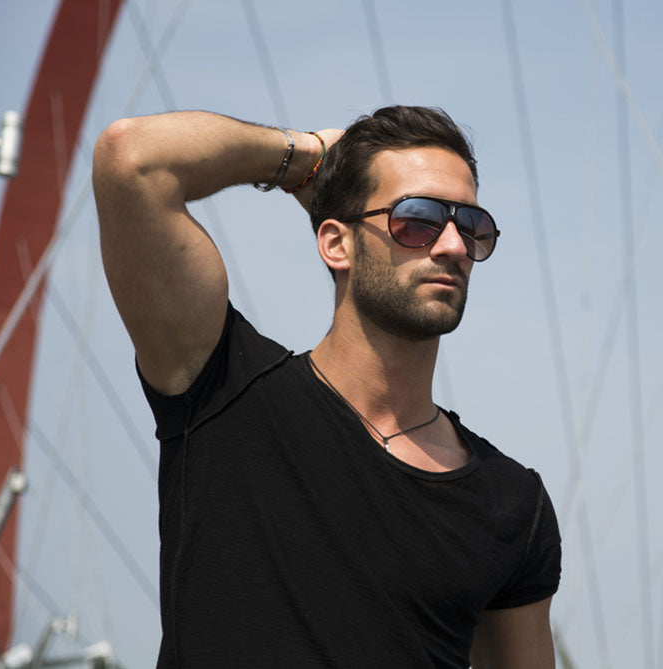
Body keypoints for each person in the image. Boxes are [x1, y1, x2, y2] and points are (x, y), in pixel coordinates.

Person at [92, 106, 561, 668]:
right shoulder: (222, 390)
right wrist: (307, 157)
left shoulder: (513, 504)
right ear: (335, 243)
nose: (454, 247)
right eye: (418, 220)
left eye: (472, 226)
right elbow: (131, 159)